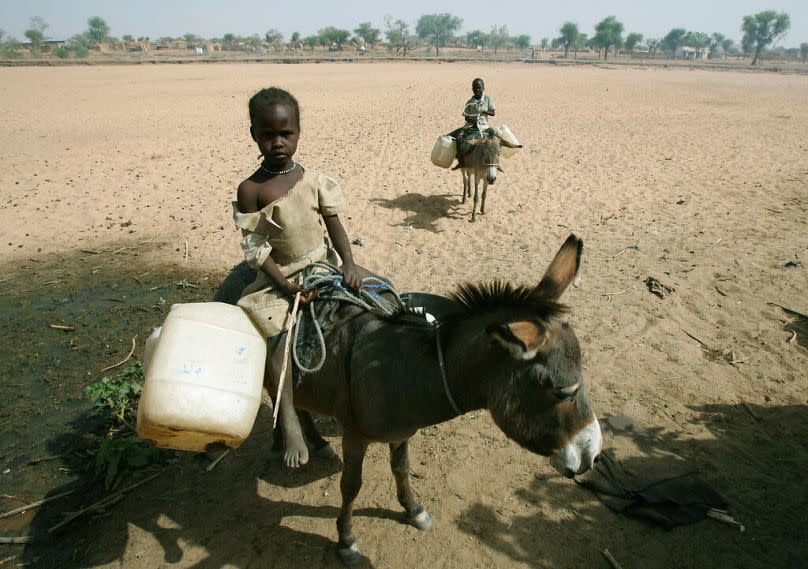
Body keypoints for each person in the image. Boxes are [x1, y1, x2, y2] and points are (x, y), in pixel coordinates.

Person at [232, 87, 363, 468]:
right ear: (253, 134)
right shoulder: (251, 190)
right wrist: (284, 285)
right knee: (279, 339)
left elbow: (335, 226)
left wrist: (349, 264)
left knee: (380, 291)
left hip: (322, 264)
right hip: (282, 277)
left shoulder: (314, 180)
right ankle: (288, 417)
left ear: (299, 132)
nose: (277, 142)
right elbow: (257, 249)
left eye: (285, 133)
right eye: (267, 134)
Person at [449, 78, 496, 169]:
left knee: (495, 139)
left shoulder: (487, 99)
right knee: (459, 138)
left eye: (479, 88)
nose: (477, 90)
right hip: (471, 126)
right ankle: (461, 162)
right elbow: (466, 116)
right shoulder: (469, 102)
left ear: (483, 88)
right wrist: (472, 119)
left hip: (484, 126)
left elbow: (493, 113)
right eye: (475, 88)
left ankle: (494, 162)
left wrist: (485, 111)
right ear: (472, 89)